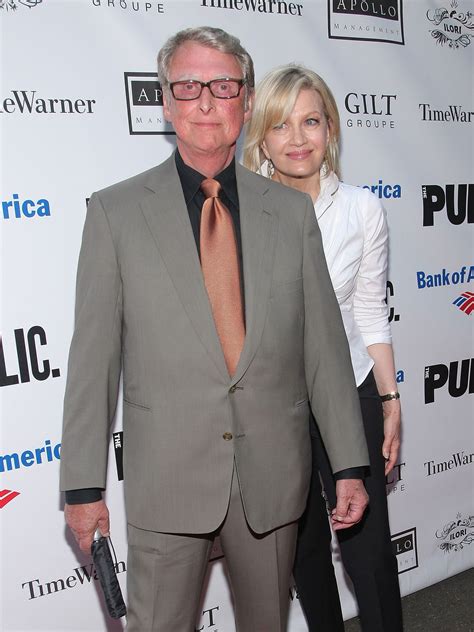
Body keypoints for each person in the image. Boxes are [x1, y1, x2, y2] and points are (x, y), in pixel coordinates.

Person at [60, 29, 370, 632]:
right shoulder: (114, 213)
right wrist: (81, 487)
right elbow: (92, 362)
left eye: (224, 86)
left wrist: (349, 464)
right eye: (188, 86)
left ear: (247, 102)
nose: (206, 101)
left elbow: (325, 351)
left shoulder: (291, 213)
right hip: (167, 481)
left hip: (272, 478)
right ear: (165, 101)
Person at [244, 64, 403, 632]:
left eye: (311, 121)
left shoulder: (362, 209)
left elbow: (369, 312)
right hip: (274, 402)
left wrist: (389, 398)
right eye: (281, 124)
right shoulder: (238, 213)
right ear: (262, 136)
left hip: (348, 386)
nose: (297, 138)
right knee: (305, 549)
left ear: (330, 128)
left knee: (369, 552)